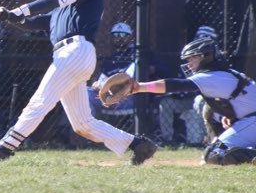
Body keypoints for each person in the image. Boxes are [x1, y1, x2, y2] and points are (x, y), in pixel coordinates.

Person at [0, 0, 157, 165]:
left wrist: (20, 10)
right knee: (82, 124)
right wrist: (8, 16)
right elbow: (32, 22)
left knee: (39, 102)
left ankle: (3, 149)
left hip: (76, 51)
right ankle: (138, 145)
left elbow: (50, 0)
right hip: (70, 56)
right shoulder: (58, 13)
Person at [122, 36, 256, 165]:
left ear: (205, 57)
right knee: (209, 111)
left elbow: (174, 85)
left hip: (252, 120)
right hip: (250, 119)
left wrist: (139, 87)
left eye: (193, 58)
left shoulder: (210, 76)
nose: (189, 63)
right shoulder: (221, 74)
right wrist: (234, 115)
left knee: (213, 155)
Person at [157, 25, 218, 145]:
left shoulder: (217, 65)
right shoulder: (191, 62)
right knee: (165, 102)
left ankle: (203, 140)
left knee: (199, 101)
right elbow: (181, 83)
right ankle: (167, 139)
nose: (194, 58)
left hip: (207, 101)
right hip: (184, 99)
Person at [88, 22, 135, 118]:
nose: (119, 38)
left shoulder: (136, 55)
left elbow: (129, 80)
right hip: (107, 97)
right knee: (85, 92)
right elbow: (99, 81)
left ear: (130, 37)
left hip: (128, 99)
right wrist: (96, 84)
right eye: (116, 35)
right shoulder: (109, 61)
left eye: (123, 35)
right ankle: (86, 126)